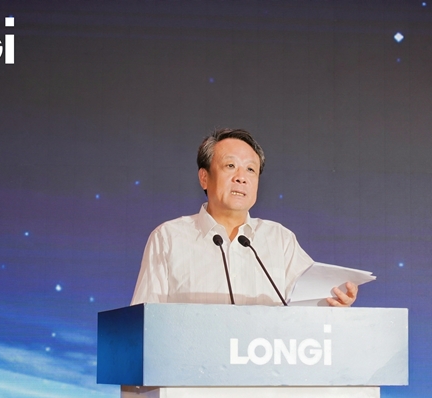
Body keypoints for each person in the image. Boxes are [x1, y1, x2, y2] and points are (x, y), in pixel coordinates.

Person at [131, 128, 357, 307]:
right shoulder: (169, 238)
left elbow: (311, 306)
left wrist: (335, 302)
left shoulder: (280, 239)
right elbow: (143, 320)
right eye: (230, 166)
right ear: (204, 178)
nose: (241, 178)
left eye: (250, 170)